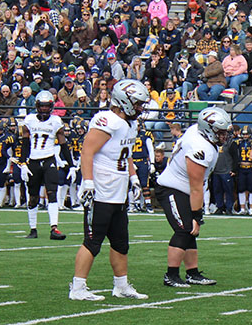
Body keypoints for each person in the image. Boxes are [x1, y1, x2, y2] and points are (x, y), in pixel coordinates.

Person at [69, 79, 151, 302]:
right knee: (93, 241)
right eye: (137, 104)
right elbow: (87, 151)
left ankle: (121, 286)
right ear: (124, 101)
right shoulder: (107, 120)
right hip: (101, 189)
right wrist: (87, 182)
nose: (140, 108)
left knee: (120, 241)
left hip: (119, 189)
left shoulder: (129, 124)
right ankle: (77, 287)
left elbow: (126, 153)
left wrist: (133, 178)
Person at [156, 107, 233, 288]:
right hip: (172, 187)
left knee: (189, 231)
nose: (224, 136)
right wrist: (197, 216)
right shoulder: (201, 147)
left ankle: (192, 273)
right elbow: (196, 187)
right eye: (220, 132)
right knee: (185, 229)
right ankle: (171, 275)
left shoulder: (198, 132)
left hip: (184, 188)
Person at [19, 90, 68, 240]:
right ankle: (33, 229)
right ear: (37, 106)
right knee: (33, 196)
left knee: (52, 192)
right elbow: (25, 144)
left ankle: (54, 228)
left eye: (47, 106)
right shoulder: (29, 120)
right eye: (42, 106)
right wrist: (22, 163)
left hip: (49, 159)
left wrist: (71, 164)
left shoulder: (56, 121)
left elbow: (63, 144)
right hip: (33, 160)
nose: (45, 109)